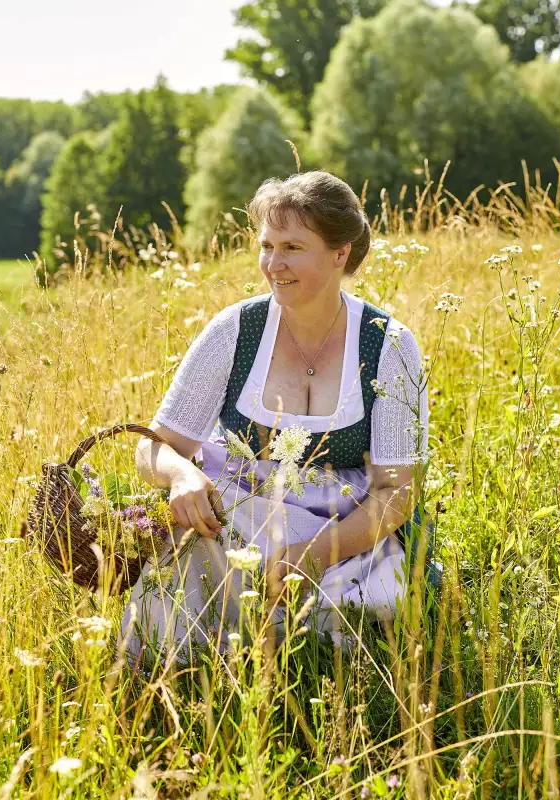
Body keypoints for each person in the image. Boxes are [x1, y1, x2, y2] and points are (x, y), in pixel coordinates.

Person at [121, 170, 431, 663]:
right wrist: (180, 474)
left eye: (292, 247)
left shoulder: (388, 344)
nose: (273, 264)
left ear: (339, 253)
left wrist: (313, 554)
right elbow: (153, 446)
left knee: (345, 635)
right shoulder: (234, 331)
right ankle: (177, 686)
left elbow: (397, 491)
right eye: (267, 245)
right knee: (183, 588)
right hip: (238, 518)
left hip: (345, 530)